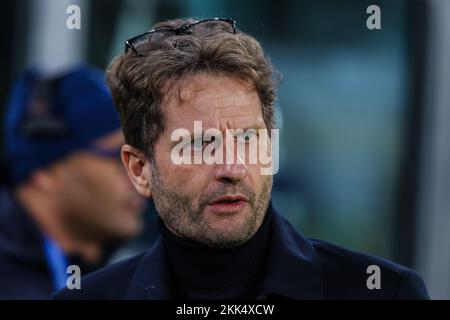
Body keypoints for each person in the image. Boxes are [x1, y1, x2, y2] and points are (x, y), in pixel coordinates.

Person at [54, 18, 429, 300]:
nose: (232, 168)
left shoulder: (382, 292)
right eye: (201, 145)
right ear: (139, 169)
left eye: (249, 139)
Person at [0, 66, 145, 299]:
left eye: (141, 156)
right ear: (44, 171)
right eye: (118, 156)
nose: (140, 172)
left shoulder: (135, 274)